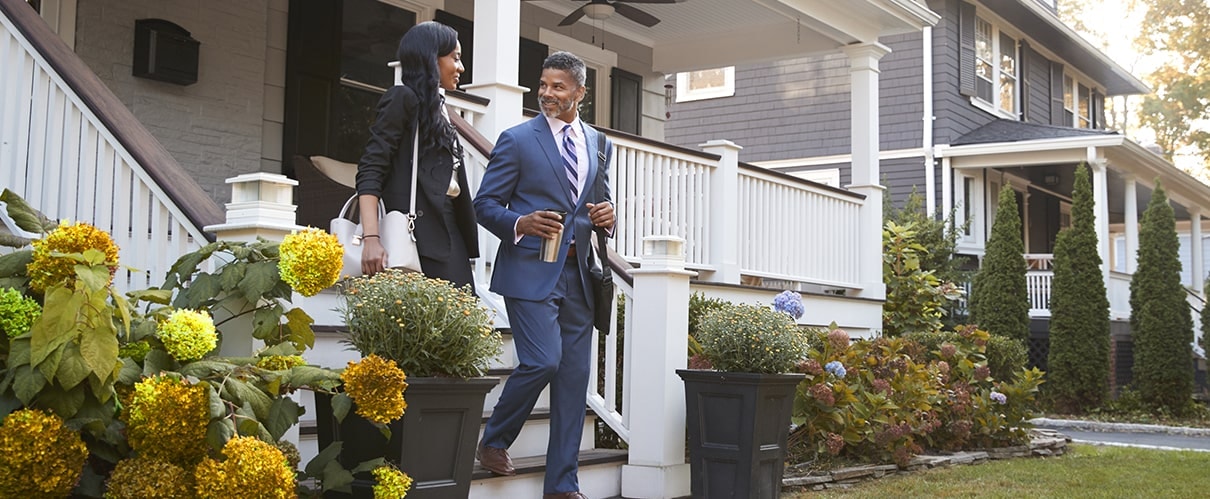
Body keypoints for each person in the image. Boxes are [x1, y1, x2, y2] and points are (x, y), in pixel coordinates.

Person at [473, 51, 615, 499]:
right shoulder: (516, 139)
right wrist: (520, 222)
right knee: (543, 360)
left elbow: (598, 202)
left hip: (579, 273)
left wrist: (609, 216)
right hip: (529, 270)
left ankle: (561, 486)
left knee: (574, 381)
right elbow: (484, 205)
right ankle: (494, 440)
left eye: (558, 86)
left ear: (580, 93)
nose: (547, 93)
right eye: (543, 85)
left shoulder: (598, 142)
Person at [354, 21, 478, 289]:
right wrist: (371, 237)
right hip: (415, 231)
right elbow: (371, 168)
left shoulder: (439, 108)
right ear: (431, 57)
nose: (461, 68)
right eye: (455, 58)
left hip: (447, 225)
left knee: (459, 319)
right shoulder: (402, 98)